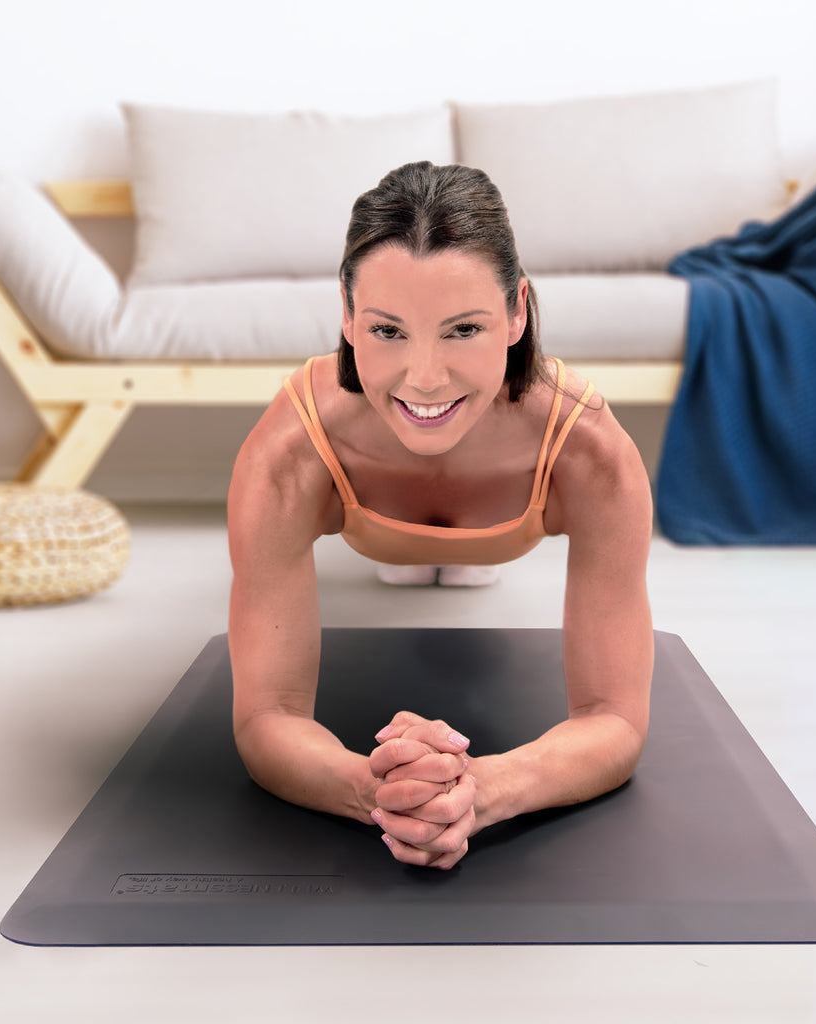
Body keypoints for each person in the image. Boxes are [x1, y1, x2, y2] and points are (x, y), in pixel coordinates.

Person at [227, 161, 654, 870]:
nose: (425, 377)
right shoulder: (291, 451)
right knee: (405, 569)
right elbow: (265, 717)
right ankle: (422, 559)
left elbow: (615, 719)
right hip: (362, 511)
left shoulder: (591, 452)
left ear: (518, 312)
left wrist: (483, 789)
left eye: (463, 329)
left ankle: (451, 561)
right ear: (345, 313)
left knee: (461, 573)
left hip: (509, 506)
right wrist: (373, 789)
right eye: (388, 331)